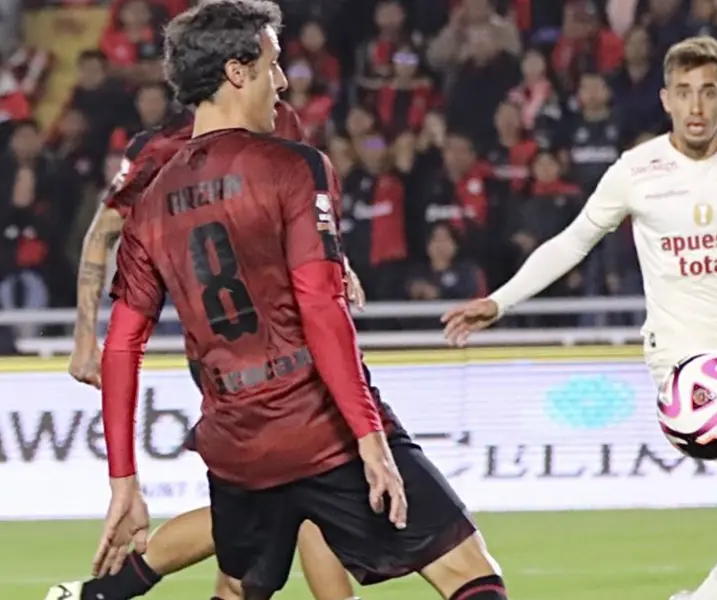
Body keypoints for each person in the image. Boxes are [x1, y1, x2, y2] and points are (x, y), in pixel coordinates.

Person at [87, 2, 506, 600]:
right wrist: (368, 437)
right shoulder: (292, 166)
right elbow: (321, 307)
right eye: (272, 65)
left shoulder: (150, 204)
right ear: (237, 72)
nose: (282, 82)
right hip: (316, 420)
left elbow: (122, 346)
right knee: (470, 573)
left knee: (238, 589)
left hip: (235, 442)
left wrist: (123, 481)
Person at [441, 35, 717, 600]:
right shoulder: (637, 171)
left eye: (708, 92)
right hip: (687, 358)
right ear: (665, 99)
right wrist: (501, 301)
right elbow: (572, 243)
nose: (696, 106)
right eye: (684, 92)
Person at [55, 62, 363, 600]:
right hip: (241, 349)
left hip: (289, 337)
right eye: (269, 62)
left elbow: (303, 210)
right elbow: (103, 232)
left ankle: (104, 592)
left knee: (281, 502)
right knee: (306, 489)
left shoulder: (279, 120)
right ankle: (108, 590)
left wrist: (340, 263)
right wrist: (86, 337)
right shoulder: (161, 148)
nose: (280, 79)